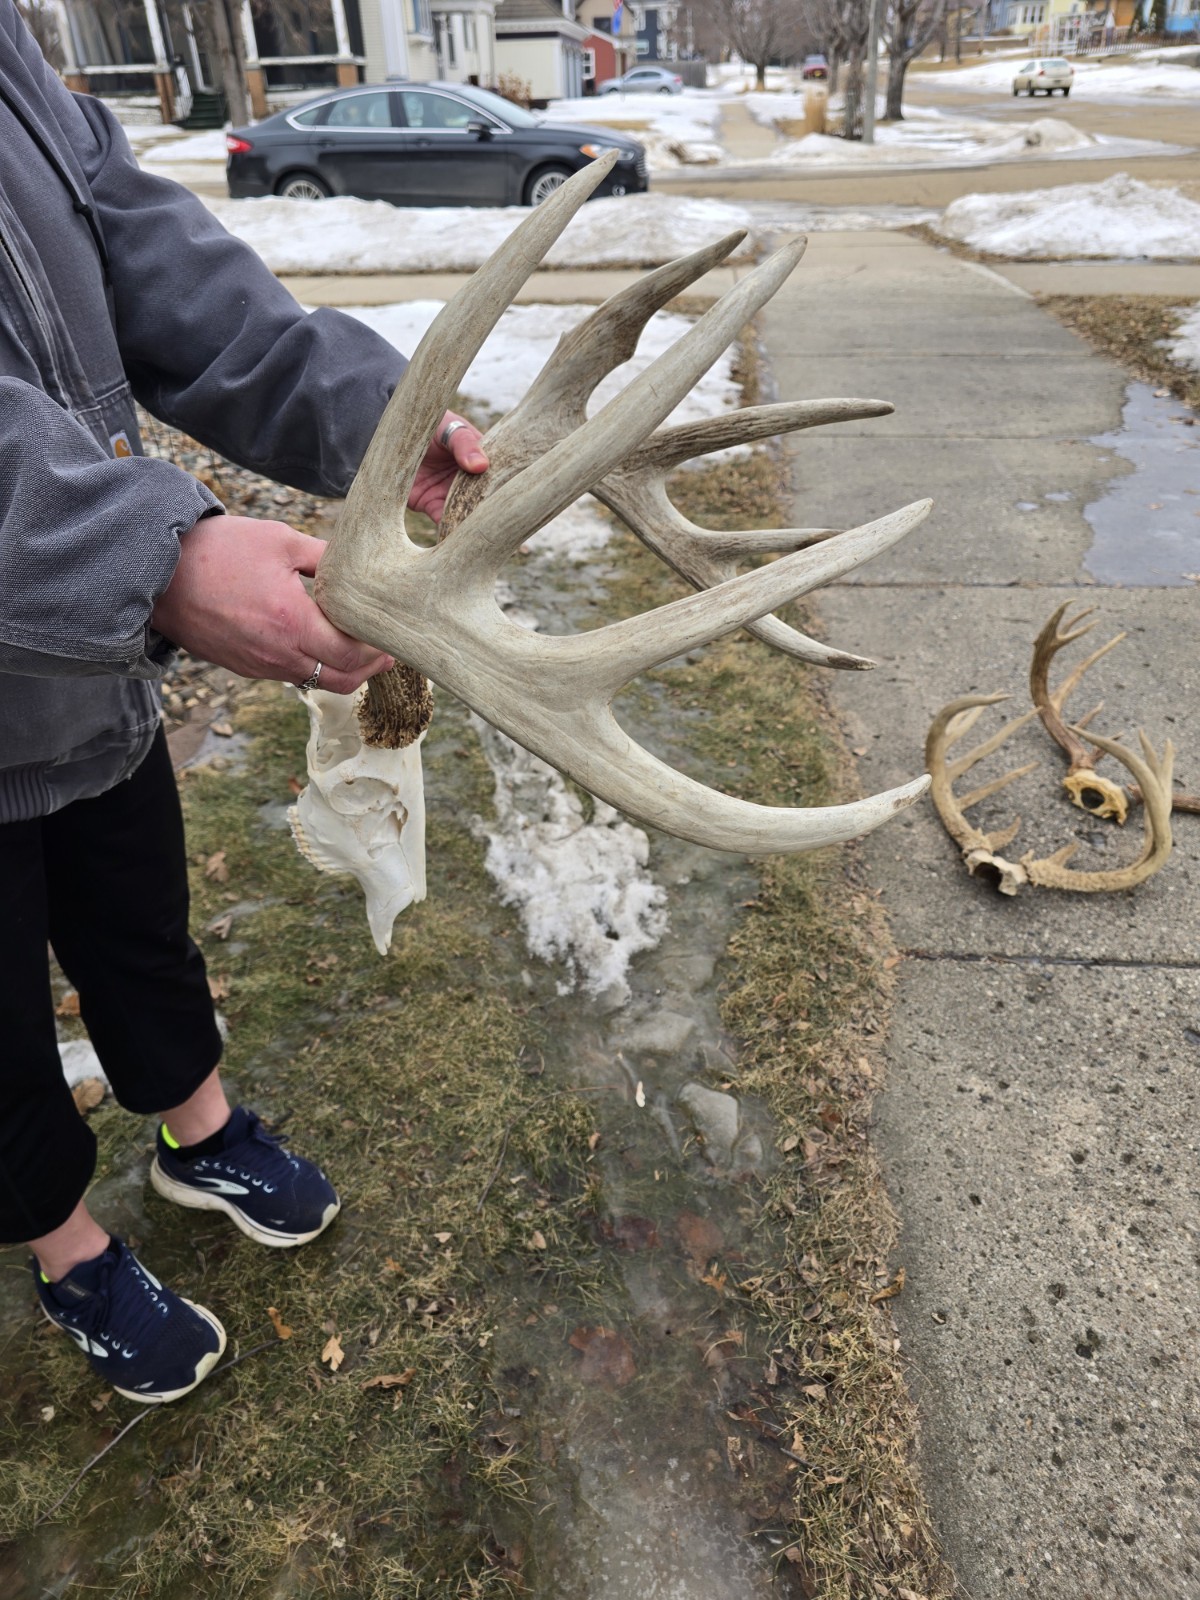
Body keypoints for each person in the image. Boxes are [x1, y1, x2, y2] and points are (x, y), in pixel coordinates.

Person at [0, 1, 488, 1404]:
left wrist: (377, 421)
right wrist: (148, 559)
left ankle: (194, 1129)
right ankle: (62, 1243)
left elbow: (140, 244)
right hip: (76, 586)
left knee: (137, 916)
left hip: (80, 673)